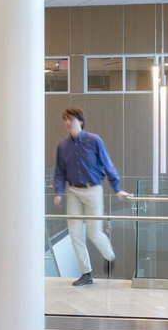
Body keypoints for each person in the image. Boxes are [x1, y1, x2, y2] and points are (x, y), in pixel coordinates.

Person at [52, 106, 127, 286]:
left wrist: (117, 188)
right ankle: (86, 273)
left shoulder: (94, 141)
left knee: (94, 232)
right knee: (75, 234)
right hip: (73, 192)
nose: (68, 123)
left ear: (81, 121)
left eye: (71, 119)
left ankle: (109, 256)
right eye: (66, 120)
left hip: (93, 190)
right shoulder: (62, 146)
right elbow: (59, 172)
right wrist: (58, 192)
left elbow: (107, 164)